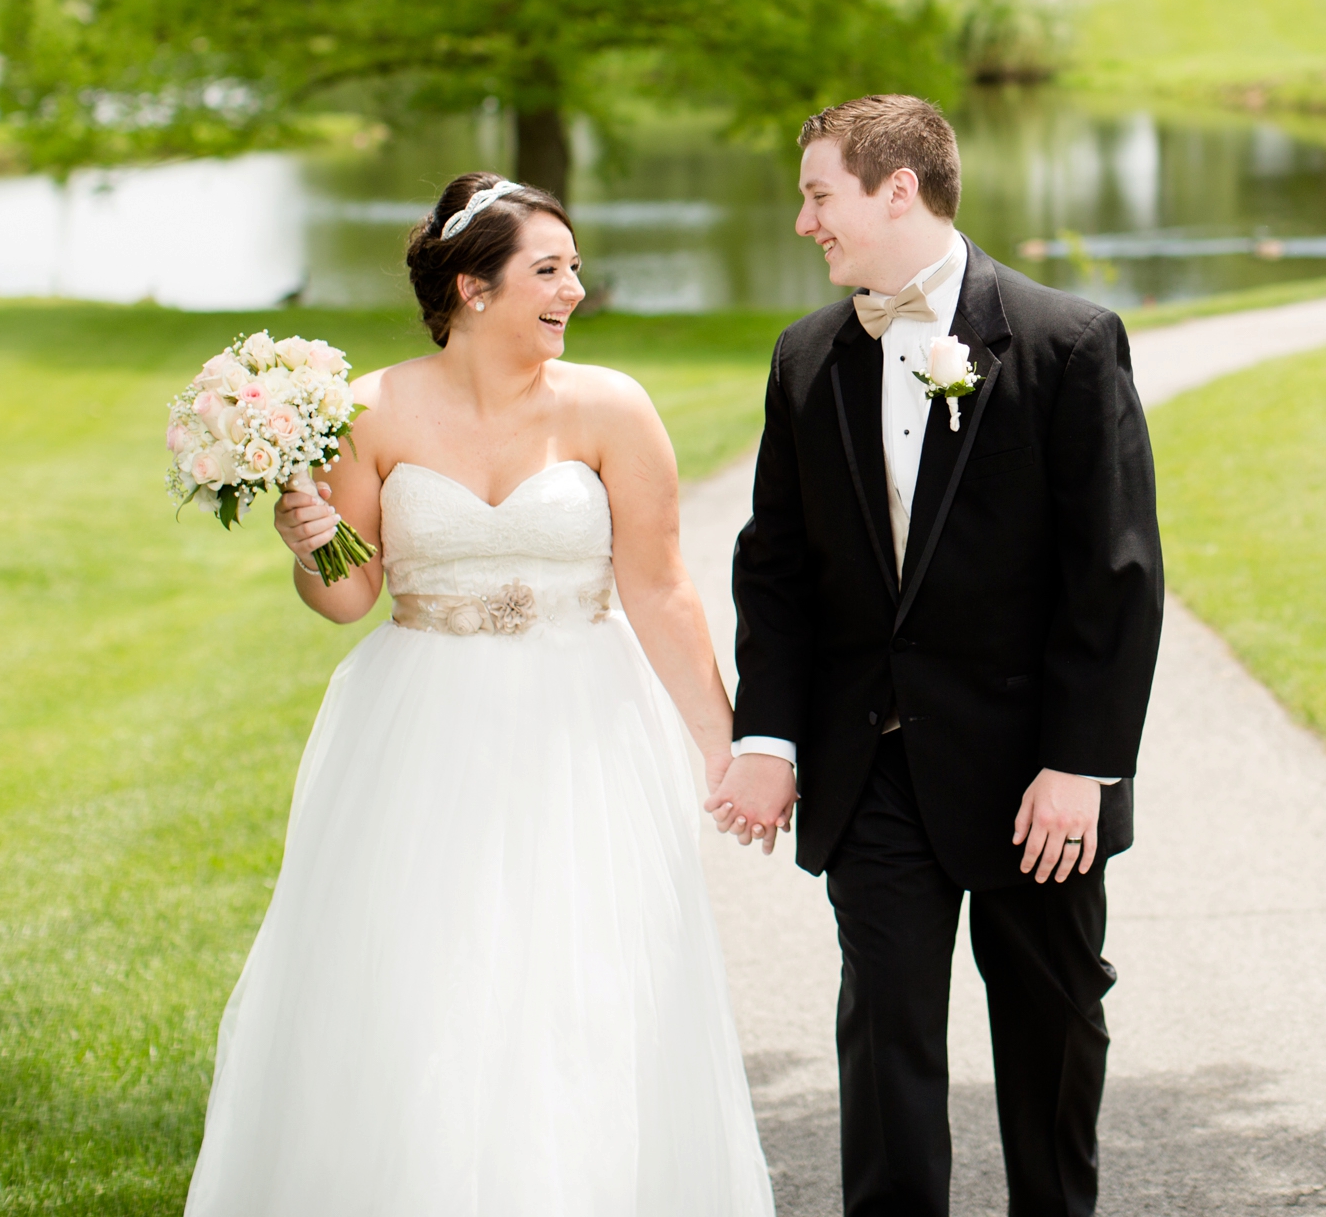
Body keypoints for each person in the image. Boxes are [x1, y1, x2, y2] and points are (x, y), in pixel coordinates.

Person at [185, 173, 775, 1216]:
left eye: (575, 266)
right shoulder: (370, 407)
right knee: (424, 978)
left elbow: (660, 584)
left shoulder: (611, 406)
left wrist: (726, 750)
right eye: (548, 270)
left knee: (580, 977)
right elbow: (348, 596)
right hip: (423, 722)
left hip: (582, 723)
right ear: (473, 288)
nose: (575, 290)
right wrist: (312, 541)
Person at [711, 95, 1163, 1217]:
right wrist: (766, 735)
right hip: (873, 771)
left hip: (1032, 780)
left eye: (820, 194)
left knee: (1052, 1024)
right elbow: (774, 568)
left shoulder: (1067, 343)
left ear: (896, 188)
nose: (805, 219)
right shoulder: (808, 356)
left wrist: (1081, 764)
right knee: (885, 1036)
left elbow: (1114, 574)